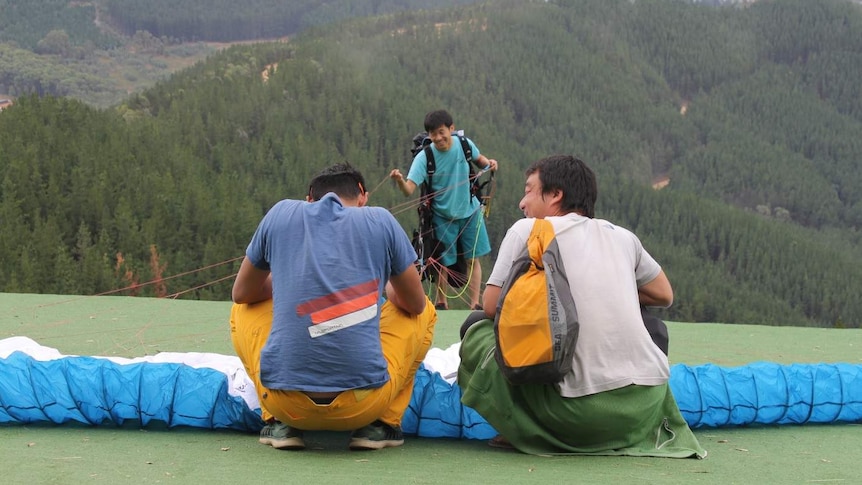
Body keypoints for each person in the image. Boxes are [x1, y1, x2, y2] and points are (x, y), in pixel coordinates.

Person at [457, 155, 706, 458]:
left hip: (576, 417)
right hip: (644, 409)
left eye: (530, 191)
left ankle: (523, 428)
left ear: (556, 194)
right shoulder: (623, 237)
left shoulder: (530, 230)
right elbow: (664, 295)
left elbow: (493, 305)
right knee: (650, 324)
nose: (522, 203)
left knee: (478, 328)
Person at [230, 163, 437, 452]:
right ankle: (382, 424)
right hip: (363, 405)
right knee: (425, 310)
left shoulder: (280, 213)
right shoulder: (381, 220)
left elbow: (242, 293)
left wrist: (289, 277)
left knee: (242, 309)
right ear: (362, 195)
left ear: (309, 199)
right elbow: (414, 303)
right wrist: (385, 286)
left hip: (286, 404)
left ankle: (278, 422)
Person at [390, 109, 498, 311]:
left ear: (451, 129)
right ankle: (442, 302)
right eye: (433, 134)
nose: (438, 138)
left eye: (441, 132)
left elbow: (481, 160)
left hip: (470, 211)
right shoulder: (424, 157)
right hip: (441, 215)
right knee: (442, 263)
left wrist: (490, 164)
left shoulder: (465, 145)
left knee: (473, 258)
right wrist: (399, 181)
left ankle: (475, 303)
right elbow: (409, 190)